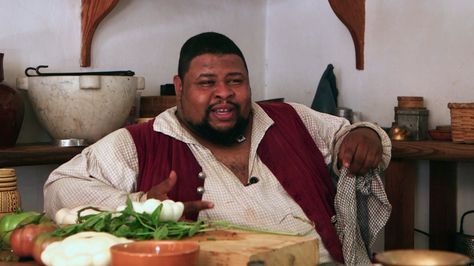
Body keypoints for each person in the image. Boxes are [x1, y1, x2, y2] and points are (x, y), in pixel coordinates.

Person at [44, 32, 391, 265]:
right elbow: (60, 187)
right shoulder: (141, 142)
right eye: (206, 83)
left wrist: (367, 136)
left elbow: (346, 135)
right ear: (179, 87)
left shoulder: (289, 119)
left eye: (235, 81)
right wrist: (140, 208)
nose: (223, 93)